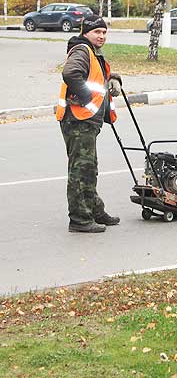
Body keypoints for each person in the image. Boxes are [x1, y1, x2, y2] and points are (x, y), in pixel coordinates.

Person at [56, 15, 122, 233]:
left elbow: (98, 75)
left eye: (104, 32)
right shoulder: (82, 50)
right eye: (97, 32)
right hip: (78, 120)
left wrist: (115, 79)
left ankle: (94, 210)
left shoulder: (93, 52)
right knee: (81, 171)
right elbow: (70, 73)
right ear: (86, 33)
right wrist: (86, 98)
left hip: (86, 121)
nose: (101, 36)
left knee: (89, 168)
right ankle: (80, 219)